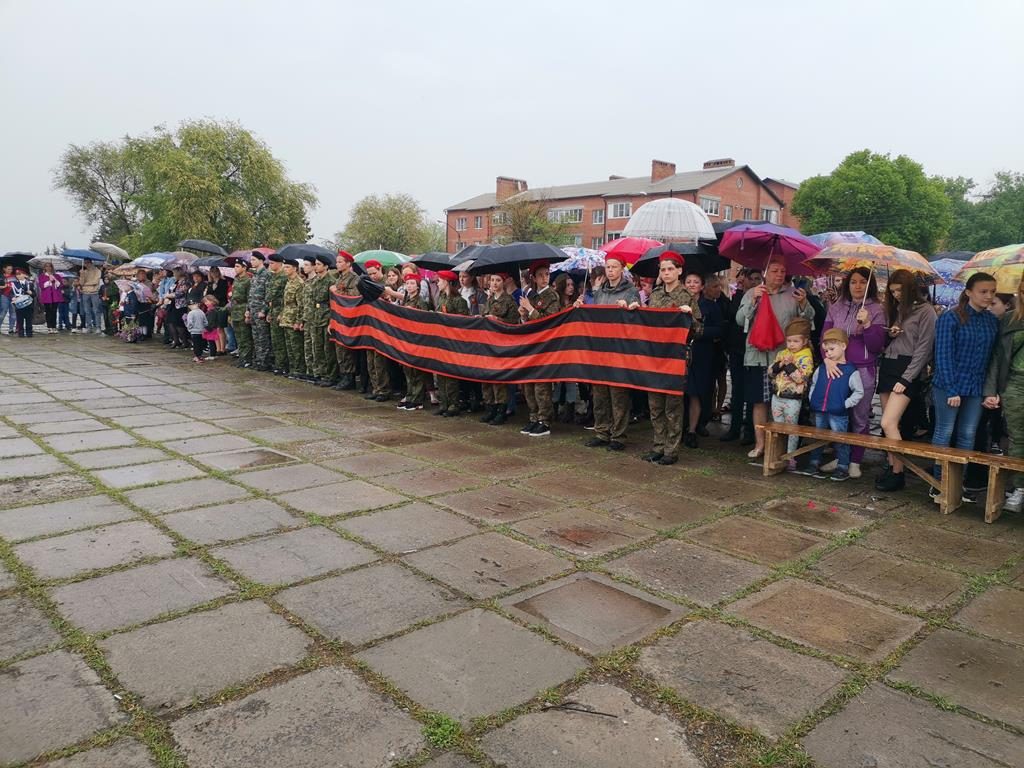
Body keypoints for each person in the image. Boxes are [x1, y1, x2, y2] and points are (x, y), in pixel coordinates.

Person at [928, 272, 999, 501]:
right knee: (944, 431)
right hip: (948, 384)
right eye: (983, 291)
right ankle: (939, 483)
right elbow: (943, 355)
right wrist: (951, 388)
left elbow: (992, 358)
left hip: (976, 386)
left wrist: (990, 391)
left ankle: (958, 484)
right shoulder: (951, 318)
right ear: (968, 292)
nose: (988, 296)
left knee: (968, 434)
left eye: (992, 292)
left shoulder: (991, 321)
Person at [734, 260, 815, 458]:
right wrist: (753, 300)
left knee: (782, 401)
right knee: (759, 401)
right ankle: (760, 444)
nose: (779, 274)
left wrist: (804, 304)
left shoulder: (793, 294)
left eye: (783, 271)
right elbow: (740, 320)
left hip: (784, 358)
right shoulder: (753, 292)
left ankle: (781, 446)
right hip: (757, 355)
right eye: (774, 270)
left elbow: (808, 322)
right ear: (765, 272)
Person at [819, 268, 886, 478]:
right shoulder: (836, 307)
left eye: (863, 281)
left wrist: (867, 325)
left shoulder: (877, 309)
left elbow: (876, 346)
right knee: (839, 414)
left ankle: (855, 460)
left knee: (860, 416)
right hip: (837, 368)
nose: (857, 286)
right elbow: (824, 338)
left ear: (870, 285)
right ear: (847, 284)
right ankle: (841, 457)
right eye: (853, 282)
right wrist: (827, 360)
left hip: (863, 369)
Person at [874, 269, 937, 492]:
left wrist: (907, 377)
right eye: (892, 291)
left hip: (908, 368)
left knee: (888, 422)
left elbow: (924, 349)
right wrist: (891, 334)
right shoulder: (896, 308)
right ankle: (893, 467)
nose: (896, 295)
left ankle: (898, 473)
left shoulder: (926, 311)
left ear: (910, 288)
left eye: (900, 290)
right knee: (890, 425)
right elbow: (888, 341)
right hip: (889, 364)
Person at [576, 255, 640, 450]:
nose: (610, 270)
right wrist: (582, 308)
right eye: (608, 267)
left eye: (614, 267)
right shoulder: (600, 292)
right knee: (599, 394)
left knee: (618, 395)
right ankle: (601, 432)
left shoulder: (631, 291)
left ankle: (618, 436)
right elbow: (595, 317)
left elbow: (636, 319)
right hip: (601, 349)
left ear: (622, 269)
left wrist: (627, 309)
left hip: (620, 349)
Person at [643, 253, 701, 464]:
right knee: (655, 405)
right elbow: (647, 322)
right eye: (663, 269)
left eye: (670, 269)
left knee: (673, 406)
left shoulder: (687, 296)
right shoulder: (656, 294)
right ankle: (658, 445)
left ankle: (671, 450)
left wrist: (689, 317)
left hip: (675, 357)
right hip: (655, 355)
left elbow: (699, 330)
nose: (666, 273)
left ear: (679, 271)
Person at [984, 278, 1024, 512]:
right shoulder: (1010, 319)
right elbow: (998, 357)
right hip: (1016, 382)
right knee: (1018, 437)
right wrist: (992, 390)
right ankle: (1020, 487)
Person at [805, 328, 864, 481]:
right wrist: (812, 398)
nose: (828, 353)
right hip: (820, 409)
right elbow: (814, 384)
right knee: (818, 437)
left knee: (840, 440)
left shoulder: (850, 371)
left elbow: (859, 392)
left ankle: (843, 466)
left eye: (832, 349)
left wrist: (844, 404)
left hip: (838, 412)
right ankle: (814, 462)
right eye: (826, 350)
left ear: (843, 346)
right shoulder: (822, 368)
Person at [518, 262, 560, 436]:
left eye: (547, 274)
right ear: (534, 278)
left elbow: (549, 321)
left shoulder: (552, 296)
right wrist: (523, 315)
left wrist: (530, 308)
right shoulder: (533, 297)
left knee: (541, 385)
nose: (545, 278)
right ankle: (534, 416)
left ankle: (544, 420)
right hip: (532, 345)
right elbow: (528, 323)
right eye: (541, 275)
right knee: (529, 384)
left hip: (545, 345)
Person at [721, 268, 761, 444]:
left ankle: (750, 431)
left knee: (753, 393)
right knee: (737, 390)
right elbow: (733, 318)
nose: (754, 282)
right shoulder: (739, 297)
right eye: (751, 279)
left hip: (754, 350)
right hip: (737, 349)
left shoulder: (765, 299)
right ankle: (734, 428)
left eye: (758, 279)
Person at [769, 318, 814, 472]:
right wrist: (780, 364)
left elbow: (800, 378)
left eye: (796, 341)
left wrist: (789, 365)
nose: (792, 344)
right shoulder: (782, 354)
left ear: (805, 341)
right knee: (777, 427)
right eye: (789, 341)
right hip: (777, 396)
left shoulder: (806, 357)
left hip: (792, 399)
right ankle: (778, 454)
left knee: (791, 427)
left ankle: (790, 456)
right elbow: (770, 372)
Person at [683, 271, 719, 447]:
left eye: (695, 282)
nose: (691, 284)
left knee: (695, 393)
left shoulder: (710, 306)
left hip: (701, 353)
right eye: (688, 281)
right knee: (680, 393)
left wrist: (699, 331)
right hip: (679, 353)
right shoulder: (679, 302)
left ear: (702, 286)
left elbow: (719, 329)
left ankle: (692, 430)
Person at [480, 273, 519, 425]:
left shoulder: (509, 300)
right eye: (492, 280)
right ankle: (490, 408)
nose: (494, 283)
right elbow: (484, 316)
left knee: (498, 379)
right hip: (487, 343)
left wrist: (498, 320)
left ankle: (501, 409)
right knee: (486, 377)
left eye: (498, 280)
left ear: (503, 282)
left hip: (501, 344)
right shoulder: (489, 300)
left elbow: (514, 322)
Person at [434, 270, 470, 416]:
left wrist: (446, 318)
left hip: (453, 342)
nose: (437, 283)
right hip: (441, 340)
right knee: (440, 372)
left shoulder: (459, 301)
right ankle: (444, 403)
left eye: (439, 280)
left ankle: (453, 404)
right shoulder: (441, 297)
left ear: (447, 282)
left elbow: (463, 322)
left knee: (450, 374)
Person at [398, 273, 430, 410]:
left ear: (417, 286)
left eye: (412, 283)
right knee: (408, 369)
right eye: (407, 283)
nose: (409, 286)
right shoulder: (406, 300)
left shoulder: (420, 302)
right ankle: (410, 395)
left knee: (417, 370)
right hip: (407, 338)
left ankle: (417, 399)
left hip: (417, 339)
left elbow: (425, 320)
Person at [308, 254, 338, 386]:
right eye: (315, 264)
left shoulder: (331, 281)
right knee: (317, 347)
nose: (316, 266)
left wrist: (332, 320)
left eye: (319, 264)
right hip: (316, 317)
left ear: (326, 266)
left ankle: (331, 376)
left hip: (326, 316)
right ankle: (321, 373)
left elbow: (333, 303)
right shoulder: (316, 281)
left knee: (328, 349)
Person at [333, 251, 361, 390]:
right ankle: (343, 375)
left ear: (348, 263)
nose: (337, 264)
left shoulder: (354, 278)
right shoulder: (339, 278)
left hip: (349, 318)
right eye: (337, 262)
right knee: (339, 348)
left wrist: (337, 291)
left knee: (346, 349)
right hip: (339, 316)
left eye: (340, 262)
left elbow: (354, 296)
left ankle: (349, 377)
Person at [247, 252, 273, 372]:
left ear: (261, 261)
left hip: (261, 311)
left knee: (263, 337)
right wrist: (248, 310)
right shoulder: (255, 275)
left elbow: (268, 295)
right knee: (256, 337)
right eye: (251, 260)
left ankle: (265, 362)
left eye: (254, 260)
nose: (251, 262)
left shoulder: (267, 274)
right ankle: (258, 360)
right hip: (253, 310)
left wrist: (263, 310)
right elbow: (251, 294)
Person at [265, 254, 289, 373]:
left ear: (279, 263)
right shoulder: (272, 277)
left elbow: (285, 298)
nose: (270, 265)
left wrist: (282, 312)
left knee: (280, 340)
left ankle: (283, 366)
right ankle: (278, 364)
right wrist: (269, 312)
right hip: (273, 310)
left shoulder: (284, 277)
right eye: (270, 263)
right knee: (275, 340)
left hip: (280, 310)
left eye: (272, 263)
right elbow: (269, 297)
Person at [229, 260, 253, 367]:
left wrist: (248, 311)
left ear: (244, 268)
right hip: (235, 310)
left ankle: (247, 359)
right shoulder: (236, 279)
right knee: (238, 336)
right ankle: (242, 358)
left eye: (238, 266)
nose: (235, 268)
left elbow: (249, 298)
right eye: (235, 266)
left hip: (243, 309)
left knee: (245, 337)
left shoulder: (248, 280)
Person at [204, 266, 229, 356]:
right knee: (214, 328)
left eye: (215, 271)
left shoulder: (223, 282)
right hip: (212, 307)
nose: (214, 273)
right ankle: (217, 348)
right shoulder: (210, 283)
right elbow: (208, 294)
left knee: (220, 327)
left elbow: (223, 294)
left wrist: (214, 299)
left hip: (221, 306)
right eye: (212, 272)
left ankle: (223, 348)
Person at [37, 262, 63, 334]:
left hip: (55, 296)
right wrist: (49, 281)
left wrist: (55, 280)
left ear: (52, 267)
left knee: (54, 311)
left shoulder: (57, 276)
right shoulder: (42, 276)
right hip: (47, 296)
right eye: (47, 266)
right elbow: (42, 286)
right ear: (44, 268)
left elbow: (60, 285)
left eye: (50, 266)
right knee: (48, 311)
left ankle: (54, 326)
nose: (48, 268)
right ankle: (49, 327)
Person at [78, 258, 102, 333]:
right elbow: (81, 283)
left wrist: (86, 284)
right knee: (86, 311)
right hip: (85, 293)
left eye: (88, 263)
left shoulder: (97, 271)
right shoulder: (84, 272)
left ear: (91, 263)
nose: (86, 265)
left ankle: (98, 327)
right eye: (85, 263)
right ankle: (89, 327)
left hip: (94, 292)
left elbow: (95, 282)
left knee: (96, 310)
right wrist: (81, 275)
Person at [10, 267, 35, 337]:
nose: (18, 276)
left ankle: (29, 333)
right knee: (20, 320)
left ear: (24, 275)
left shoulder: (30, 283)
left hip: (28, 305)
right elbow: (11, 293)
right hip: (19, 305)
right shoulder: (14, 284)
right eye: (17, 274)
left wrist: (31, 293)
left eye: (20, 274)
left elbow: (34, 294)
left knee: (29, 320)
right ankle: (21, 333)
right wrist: (13, 297)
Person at [0, 264, 14, 334]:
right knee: (3, 312)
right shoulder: (1, 277)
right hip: (4, 295)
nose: (10, 270)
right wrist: (3, 286)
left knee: (13, 313)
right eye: (8, 269)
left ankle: (11, 329)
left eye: (11, 269)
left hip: (13, 296)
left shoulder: (14, 277)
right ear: (4, 269)